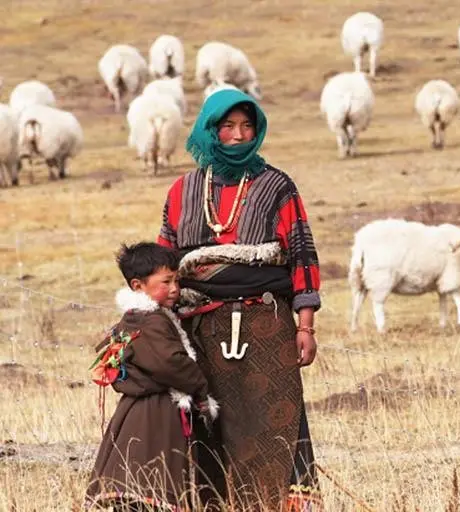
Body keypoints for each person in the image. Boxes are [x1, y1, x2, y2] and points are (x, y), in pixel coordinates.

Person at [156, 88, 322, 511]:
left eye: (247, 126)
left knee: (275, 426)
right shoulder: (182, 191)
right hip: (201, 330)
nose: (238, 134)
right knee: (209, 429)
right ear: (210, 130)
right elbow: (165, 262)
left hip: (267, 326)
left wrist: (305, 326)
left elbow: (301, 254)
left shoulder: (277, 186)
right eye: (228, 126)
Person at [84, 242, 219, 512]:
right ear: (138, 285)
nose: (174, 289)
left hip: (137, 413)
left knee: (137, 492)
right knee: (152, 491)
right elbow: (171, 364)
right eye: (166, 281)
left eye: (177, 281)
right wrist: (201, 385)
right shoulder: (151, 321)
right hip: (156, 416)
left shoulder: (138, 318)